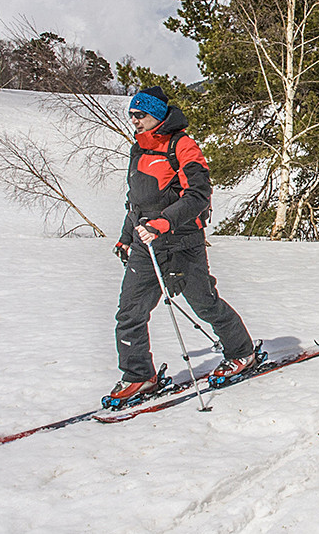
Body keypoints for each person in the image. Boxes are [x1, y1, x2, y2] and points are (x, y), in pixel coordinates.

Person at [108, 86, 257, 404]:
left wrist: (162, 223)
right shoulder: (139, 149)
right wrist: (126, 236)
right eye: (132, 114)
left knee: (204, 304)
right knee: (129, 312)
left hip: (182, 242)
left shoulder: (183, 146)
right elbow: (135, 203)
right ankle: (139, 376)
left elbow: (198, 195)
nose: (134, 120)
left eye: (140, 115)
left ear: (157, 116)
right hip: (145, 244)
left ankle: (242, 353)